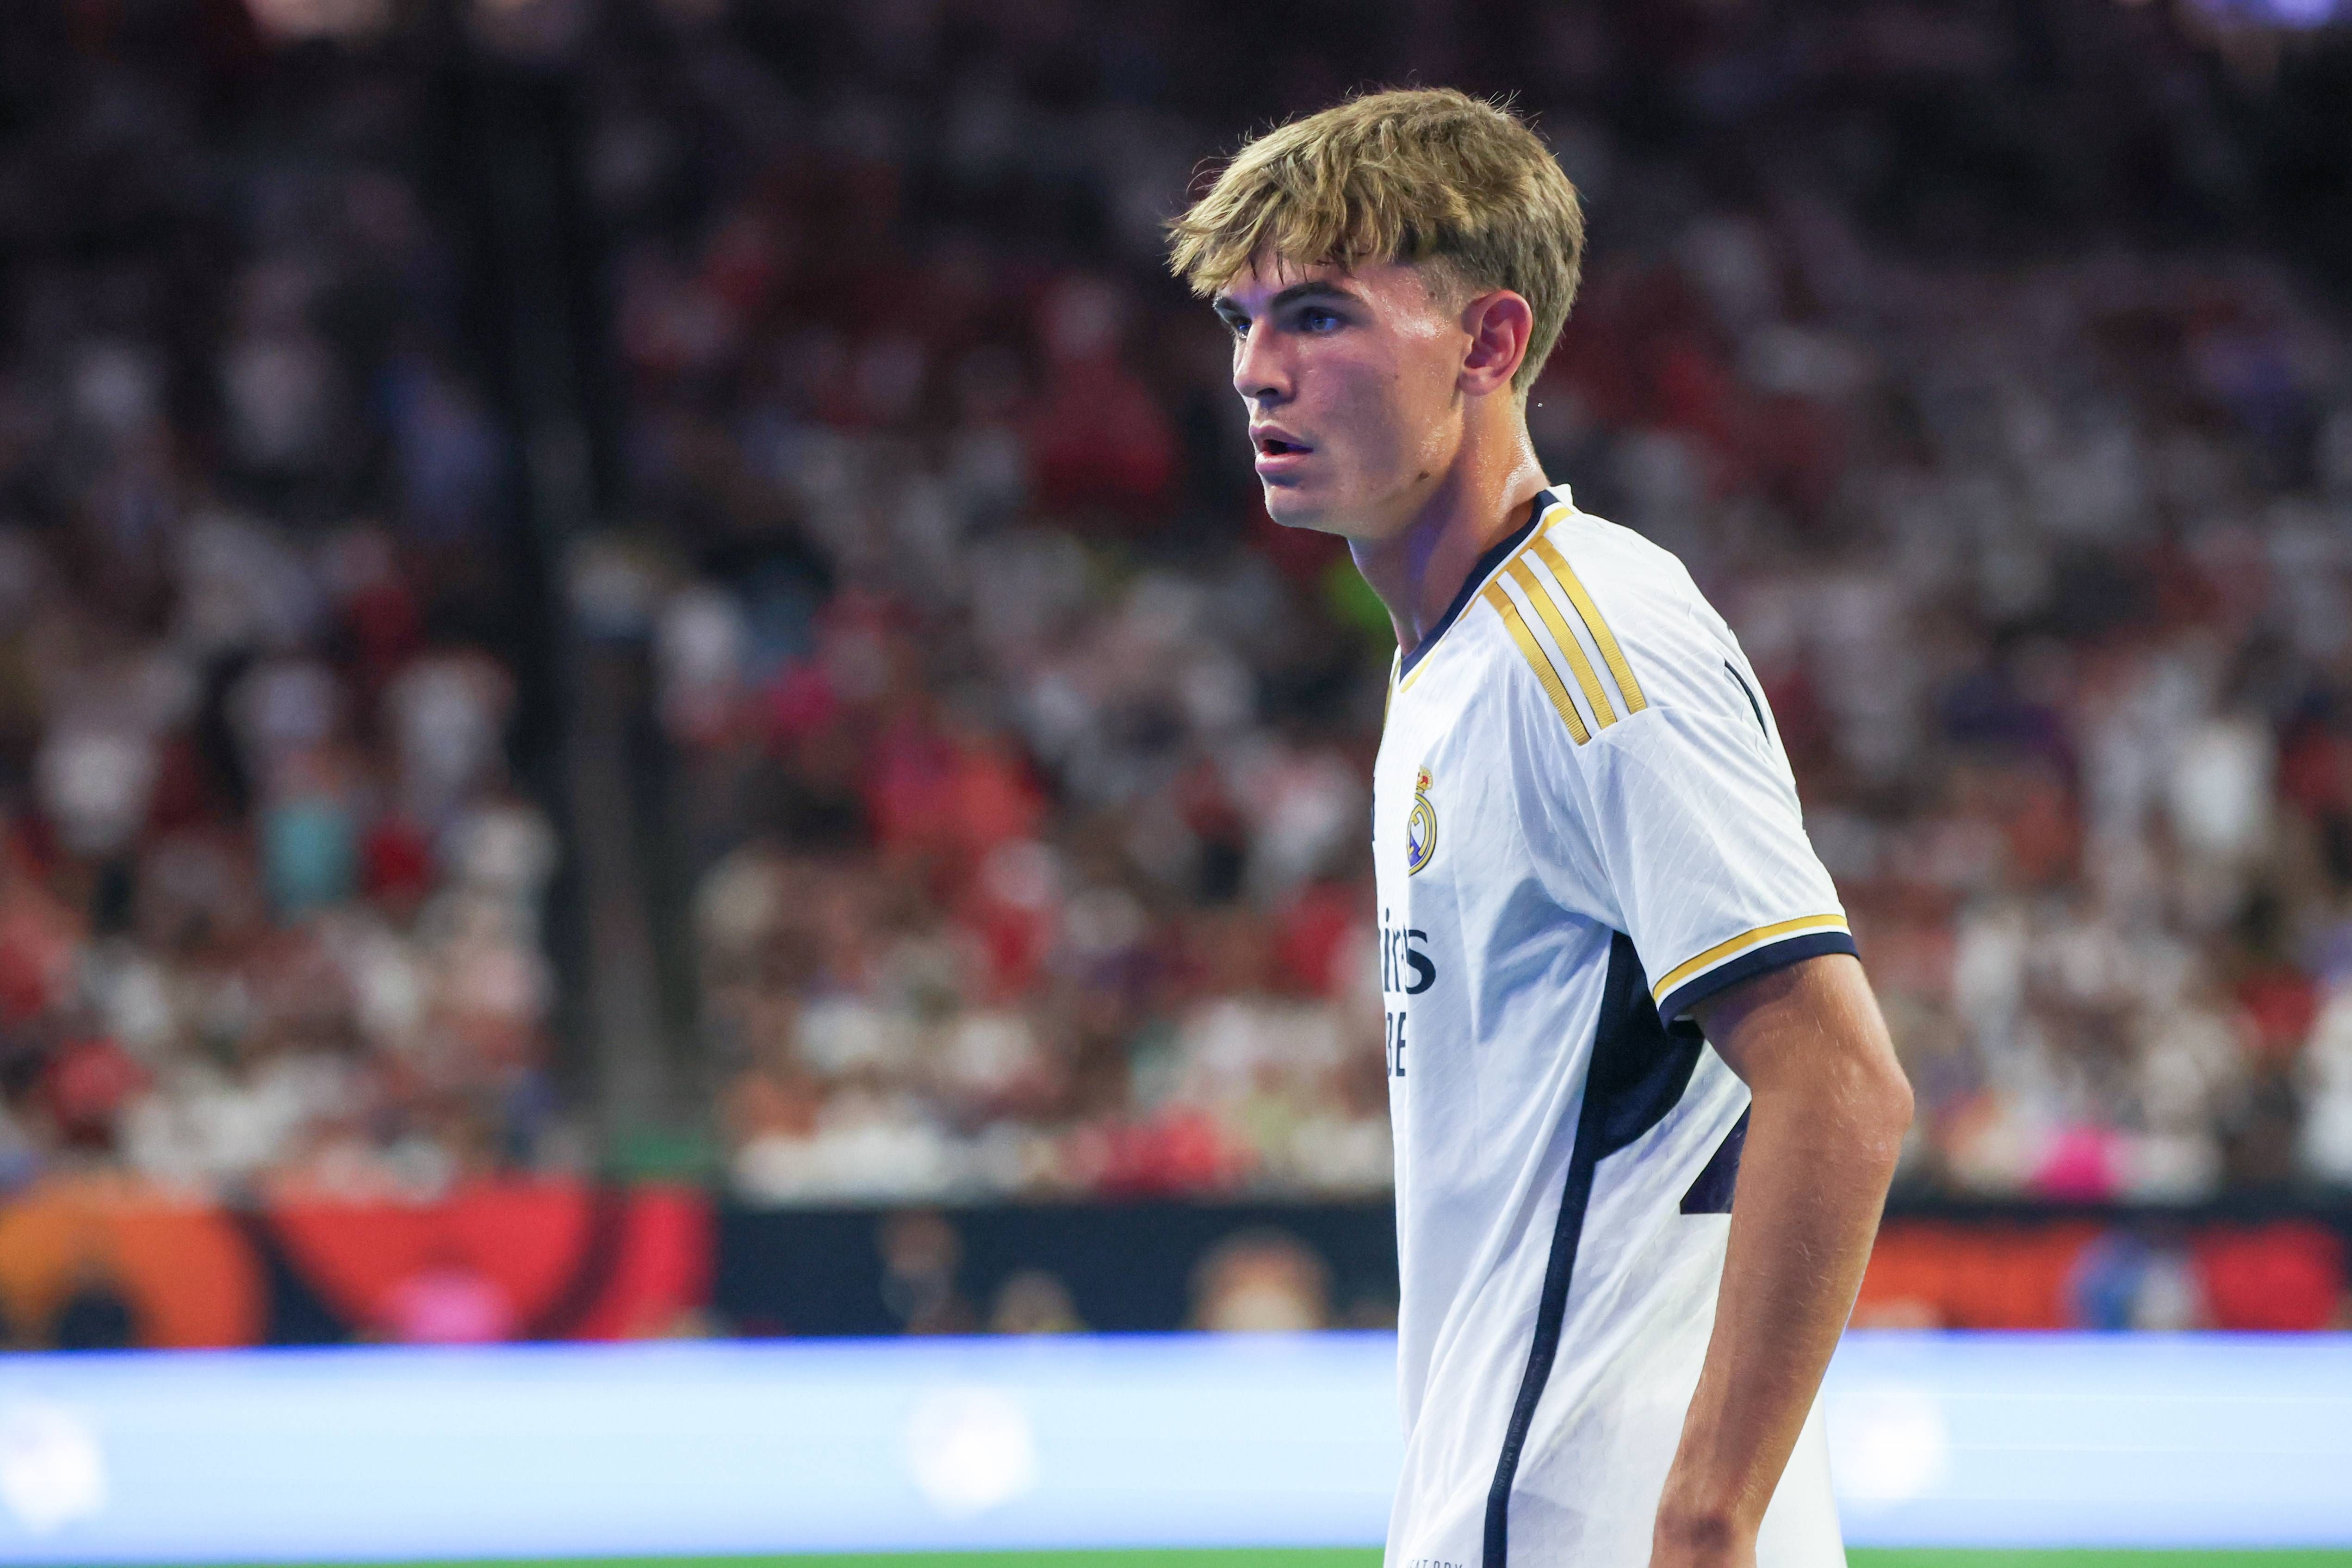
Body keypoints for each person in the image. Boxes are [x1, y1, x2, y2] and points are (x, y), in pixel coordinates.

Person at [1168, 90, 1913, 1568]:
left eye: (1317, 316)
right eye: (1242, 321)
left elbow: (1839, 1083)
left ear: (1490, 344)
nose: (1256, 372)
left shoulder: (1590, 646)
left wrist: (1704, 1520)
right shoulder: (1458, 657)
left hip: (1599, 1532)